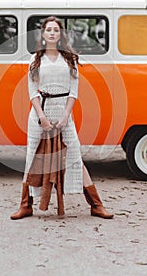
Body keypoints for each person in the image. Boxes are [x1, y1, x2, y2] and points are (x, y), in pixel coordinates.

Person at [10, 16, 114, 220]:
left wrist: (66, 116)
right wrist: (42, 117)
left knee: (75, 156)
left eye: (56, 30)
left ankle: (96, 204)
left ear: (60, 34)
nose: (52, 33)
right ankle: (26, 205)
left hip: (64, 113)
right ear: (43, 33)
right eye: (48, 29)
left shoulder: (69, 58)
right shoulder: (35, 59)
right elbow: (32, 90)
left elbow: (74, 90)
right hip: (40, 114)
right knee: (32, 157)